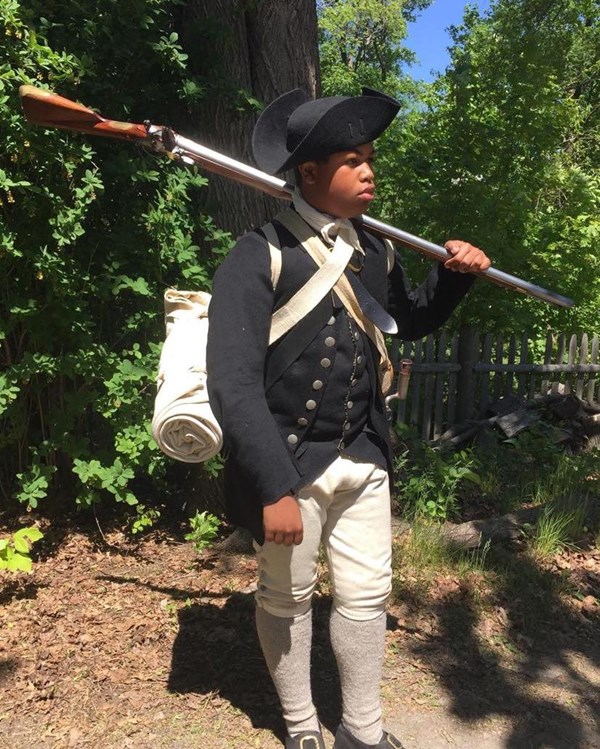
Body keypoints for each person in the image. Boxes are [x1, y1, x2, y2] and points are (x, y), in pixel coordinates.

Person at [206, 88, 491, 749]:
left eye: (370, 157)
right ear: (309, 173)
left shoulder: (378, 251)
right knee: (288, 595)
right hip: (286, 465)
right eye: (352, 159)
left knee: (365, 595)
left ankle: (362, 729)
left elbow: (409, 320)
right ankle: (303, 725)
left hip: (364, 452)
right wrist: (273, 485)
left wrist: (454, 277)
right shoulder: (259, 254)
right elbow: (235, 384)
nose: (369, 170)